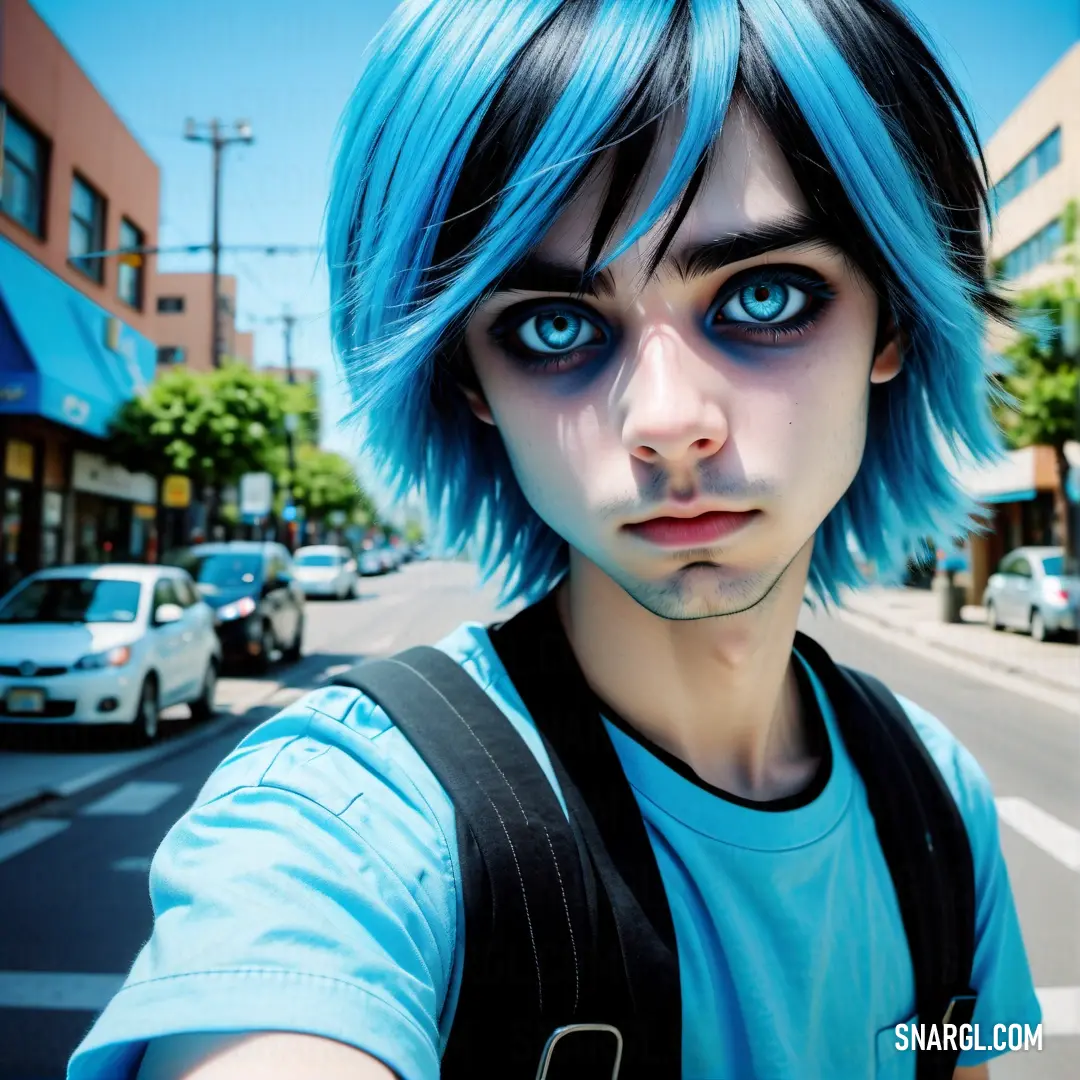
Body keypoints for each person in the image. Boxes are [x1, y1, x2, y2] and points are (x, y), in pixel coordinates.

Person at [67, 1, 1040, 1078]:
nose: (666, 419)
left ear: (894, 319)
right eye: (555, 325)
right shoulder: (346, 818)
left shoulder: (938, 804)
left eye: (766, 294)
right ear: (469, 380)